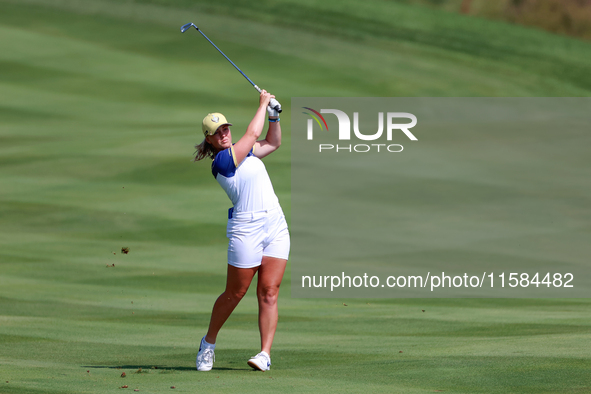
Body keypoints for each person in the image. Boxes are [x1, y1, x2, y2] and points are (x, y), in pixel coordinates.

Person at [193, 90, 289, 372]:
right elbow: (252, 132)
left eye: (224, 128)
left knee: (269, 292)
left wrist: (274, 116)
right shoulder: (221, 162)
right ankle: (208, 343)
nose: (223, 133)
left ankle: (264, 354)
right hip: (246, 228)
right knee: (236, 292)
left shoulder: (244, 150)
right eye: (216, 132)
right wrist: (262, 103)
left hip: (275, 224)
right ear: (209, 139)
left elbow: (273, 142)